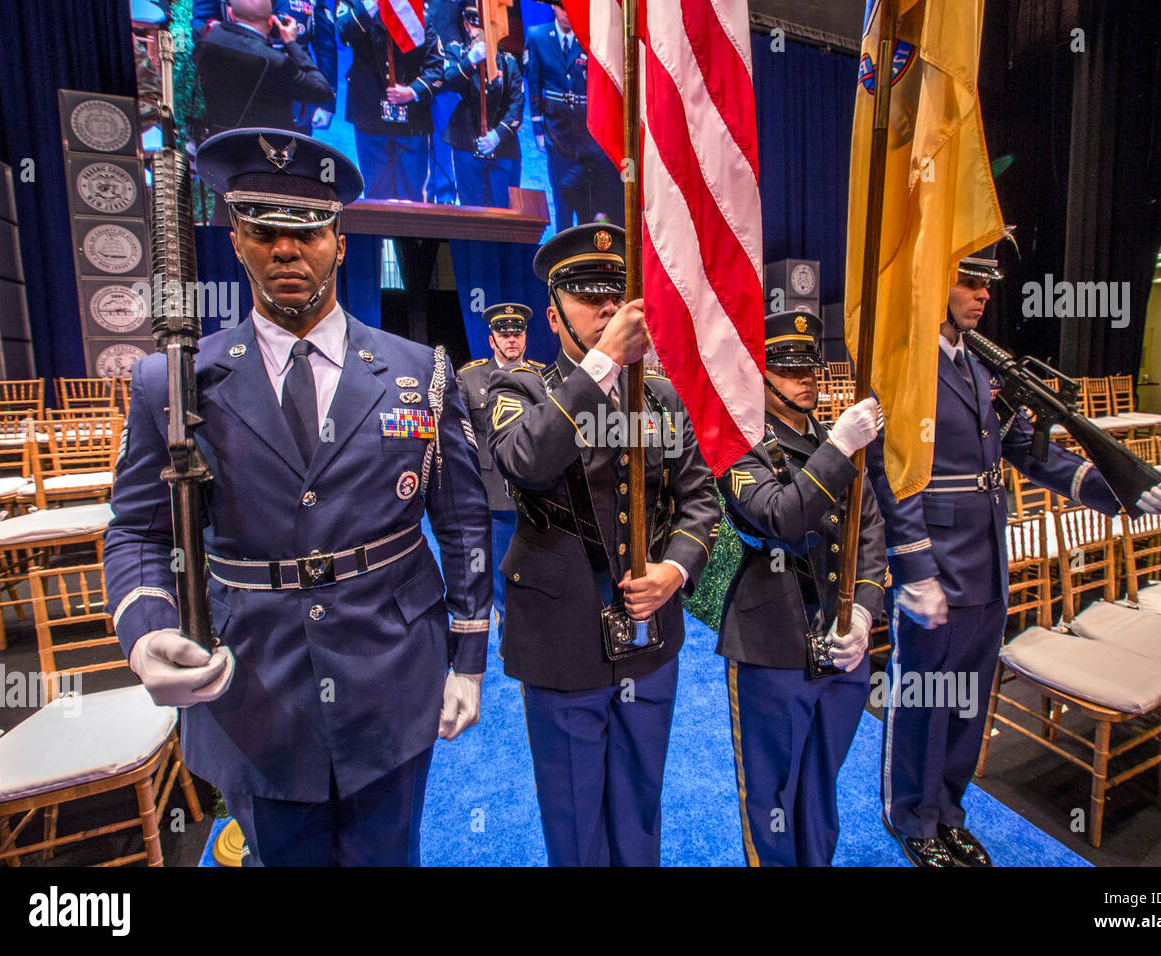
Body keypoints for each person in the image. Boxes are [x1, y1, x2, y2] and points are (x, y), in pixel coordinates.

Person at [104, 128, 493, 866]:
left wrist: (468, 659)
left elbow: (464, 520)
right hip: (254, 685)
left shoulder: (420, 370)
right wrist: (148, 627)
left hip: (392, 675)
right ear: (236, 238)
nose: (287, 250)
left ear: (340, 242)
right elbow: (138, 533)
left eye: (307, 231)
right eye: (265, 231)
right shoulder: (174, 382)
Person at [866, 240, 1161, 867]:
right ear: (937, 283)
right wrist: (914, 568)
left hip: (987, 558)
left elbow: (1030, 450)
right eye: (971, 281)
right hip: (936, 562)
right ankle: (912, 817)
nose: (985, 294)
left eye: (989, 283)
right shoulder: (904, 366)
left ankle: (949, 810)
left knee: (969, 699)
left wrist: (1124, 490)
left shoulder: (981, 366)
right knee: (923, 699)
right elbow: (891, 473)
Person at [487, 223, 721, 866]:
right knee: (573, 812)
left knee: (640, 803)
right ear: (554, 315)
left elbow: (701, 501)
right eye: (590, 297)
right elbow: (527, 459)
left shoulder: (663, 400)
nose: (608, 308)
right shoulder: (519, 389)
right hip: (561, 639)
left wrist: (675, 569)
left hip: (650, 634)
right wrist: (600, 365)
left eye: (618, 294)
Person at [718, 309, 887, 866]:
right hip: (772, 646)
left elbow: (868, 531)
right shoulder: (741, 447)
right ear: (758, 375)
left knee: (822, 787)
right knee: (771, 796)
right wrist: (838, 449)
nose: (806, 377)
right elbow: (782, 515)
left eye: (810, 365)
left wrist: (863, 612)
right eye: (788, 368)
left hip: (842, 646)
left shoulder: (833, 439)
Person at [456, 303, 542, 628]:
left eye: (517, 333)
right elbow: (459, 440)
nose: (511, 340)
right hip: (494, 497)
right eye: (504, 334)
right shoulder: (469, 378)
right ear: (491, 339)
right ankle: (508, 631)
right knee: (501, 574)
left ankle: (534, 625)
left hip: (536, 491)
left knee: (538, 567)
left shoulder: (540, 376)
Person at [525, 1, 623, 228]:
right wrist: (538, 129)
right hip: (556, 133)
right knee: (562, 200)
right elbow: (534, 85)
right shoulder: (538, 36)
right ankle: (564, 255)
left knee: (590, 201)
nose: (566, 15)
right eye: (561, 8)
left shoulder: (588, 38)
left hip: (588, 135)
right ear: (553, 7)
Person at [337, 0, 445, 200]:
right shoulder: (356, 5)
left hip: (411, 121)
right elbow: (343, 33)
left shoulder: (420, 12)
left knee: (411, 198)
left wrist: (412, 91)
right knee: (377, 195)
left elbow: (437, 69)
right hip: (370, 117)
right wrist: (370, 7)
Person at [193, 0, 336, 136]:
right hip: (234, 88)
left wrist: (327, 105)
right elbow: (202, 22)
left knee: (289, 153)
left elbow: (325, 44)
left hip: (294, 90)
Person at [441, 4, 524, 208]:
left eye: (482, 24)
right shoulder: (457, 53)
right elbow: (450, 81)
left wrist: (498, 135)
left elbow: (517, 103)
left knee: (505, 211)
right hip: (467, 143)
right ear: (465, 24)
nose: (475, 29)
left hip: (503, 148)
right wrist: (470, 61)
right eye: (470, 22)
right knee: (472, 212)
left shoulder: (507, 61)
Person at [425, 0, 468, 202]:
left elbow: (473, 20)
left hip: (449, 66)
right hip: (416, 64)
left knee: (444, 138)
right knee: (415, 139)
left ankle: (445, 197)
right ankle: (423, 193)